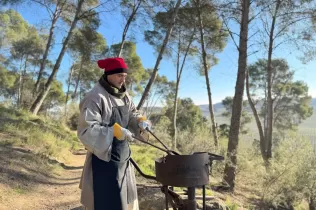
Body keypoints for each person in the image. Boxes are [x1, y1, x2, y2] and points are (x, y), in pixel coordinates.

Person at [77, 57, 151, 210]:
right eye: (119, 75)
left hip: (123, 156)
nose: (123, 80)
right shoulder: (95, 97)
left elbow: (131, 113)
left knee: (125, 201)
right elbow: (86, 130)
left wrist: (140, 121)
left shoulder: (124, 94)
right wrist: (113, 132)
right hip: (103, 160)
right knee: (106, 202)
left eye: (124, 76)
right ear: (108, 74)